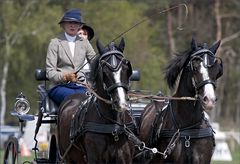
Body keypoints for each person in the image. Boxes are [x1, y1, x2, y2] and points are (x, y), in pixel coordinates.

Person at [46, 8, 96, 106]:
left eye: (76, 23)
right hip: (60, 86)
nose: (72, 25)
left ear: (80, 26)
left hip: (81, 86)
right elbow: (50, 72)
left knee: (93, 101)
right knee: (76, 99)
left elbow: (95, 61)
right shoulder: (55, 43)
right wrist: (65, 76)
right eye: (69, 22)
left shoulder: (85, 43)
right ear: (63, 25)